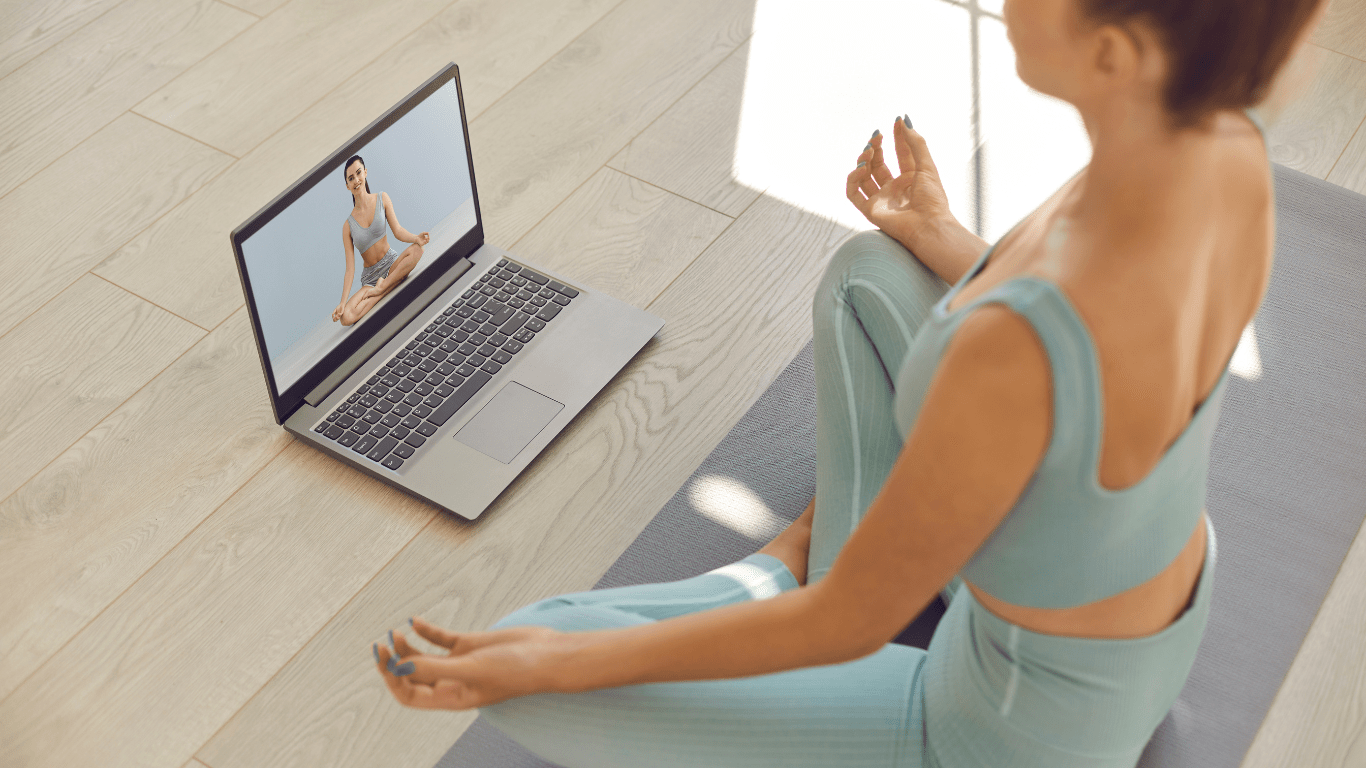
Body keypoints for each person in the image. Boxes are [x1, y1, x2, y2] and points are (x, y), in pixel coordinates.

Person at [370, 0, 1330, 765]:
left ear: (1114, 53)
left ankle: (780, 562)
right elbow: (1108, 357)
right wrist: (950, 242)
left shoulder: (1014, 346)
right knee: (868, 275)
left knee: (530, 654)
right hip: (1128, 612)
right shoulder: (1220, 142)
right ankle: (821, 552)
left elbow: (846, 624)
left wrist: (563, 663)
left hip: (1007, 727)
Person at [333, 155, 430, 326]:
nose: (356, 180)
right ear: (347, 186)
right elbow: (350, 269)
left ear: (365, 172)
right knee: (346, 317)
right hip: (370, 280)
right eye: (351, 178)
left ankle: (383, 288)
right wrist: (342, 303)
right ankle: (390, 284)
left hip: (392, 263)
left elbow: (398, 231)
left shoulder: (382, 198)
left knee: (417, 250)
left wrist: (416, 238)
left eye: (358, 173)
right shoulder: (347, 227)